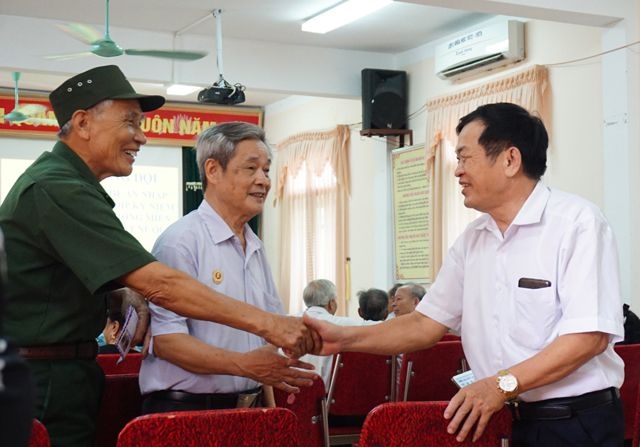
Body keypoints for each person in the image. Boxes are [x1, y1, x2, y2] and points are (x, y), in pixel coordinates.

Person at [0, 65, 318, 447]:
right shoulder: (58, 188)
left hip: (65, 374)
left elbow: (50, 282)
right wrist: (268, 324)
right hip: (46, 380)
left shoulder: (69, 184)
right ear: (83, 123)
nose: (141, 136)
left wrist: (115, 295)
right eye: (130, 122)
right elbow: (161, 285)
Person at [305, 102, 625, 446]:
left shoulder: (576, 224)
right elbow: (424, 324)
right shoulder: (473, 239)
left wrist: (500, 386)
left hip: (572, 422)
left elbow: (588, 337)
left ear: (510, 160)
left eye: (465, 158)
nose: (457, 171)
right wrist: (343, 338)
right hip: (500, 419)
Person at [139, 122, 316, 414]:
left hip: (248, 409)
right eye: (251, 168)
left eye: (266, 170)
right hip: (187, 413)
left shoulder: (255, 245)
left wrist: (271, 410)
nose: (263, 180)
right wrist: (245, 365)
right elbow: (168, 342)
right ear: (213, 170)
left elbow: (268, 338)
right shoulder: (180, 242)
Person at [298, 279, 377, 388]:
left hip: (287, 395)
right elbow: (379, 328)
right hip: (325, 395)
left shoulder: (288, 321)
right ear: (331, 303)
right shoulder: (341, 324)